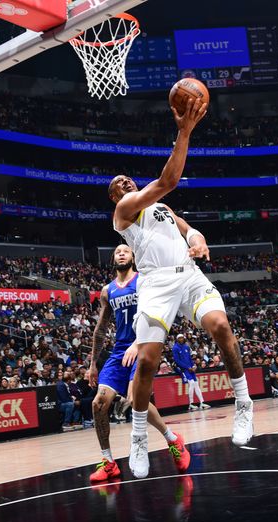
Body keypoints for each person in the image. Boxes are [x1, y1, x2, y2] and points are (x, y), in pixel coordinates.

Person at [108, 97, 253, 478]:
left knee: (221, 327)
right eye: (118, 184)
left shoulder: (160, 210)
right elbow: (169, 181)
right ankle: (139, 437)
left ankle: (243, 404)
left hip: (187, 275)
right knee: (148, 362)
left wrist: (198, 238)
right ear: (115, 197)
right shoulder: (124, 211)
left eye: (126, 178)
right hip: (155, 284)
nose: (125, 181)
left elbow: (187, 227)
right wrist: (184, 131)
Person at [87, 244, 190, 482]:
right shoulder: (107, 290)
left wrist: (139, 341)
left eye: (126, 250)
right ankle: (109, 462)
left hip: (145, 343)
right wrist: (93, 363)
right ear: (113, 258)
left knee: (135, 402)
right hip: (120, 349)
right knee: (98, 404)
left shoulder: (144, 280)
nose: (121, 253)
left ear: (133, 256)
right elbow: (101, 329)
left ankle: (173, 441)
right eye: (117, 251)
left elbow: (156, 311)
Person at [172, 333, 209, 410]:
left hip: (190, 369)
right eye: (180, 338)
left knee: (196, 384)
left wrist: (193, 366)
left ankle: (202, 402)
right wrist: (187, 367)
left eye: (182, 338)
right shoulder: (175, 348)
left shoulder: (186, 347)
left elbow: (189, 358)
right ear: (177, 339)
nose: (181, 339)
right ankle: (191, 404)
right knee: (191, 383)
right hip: (183, 369)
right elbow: (177, 361)